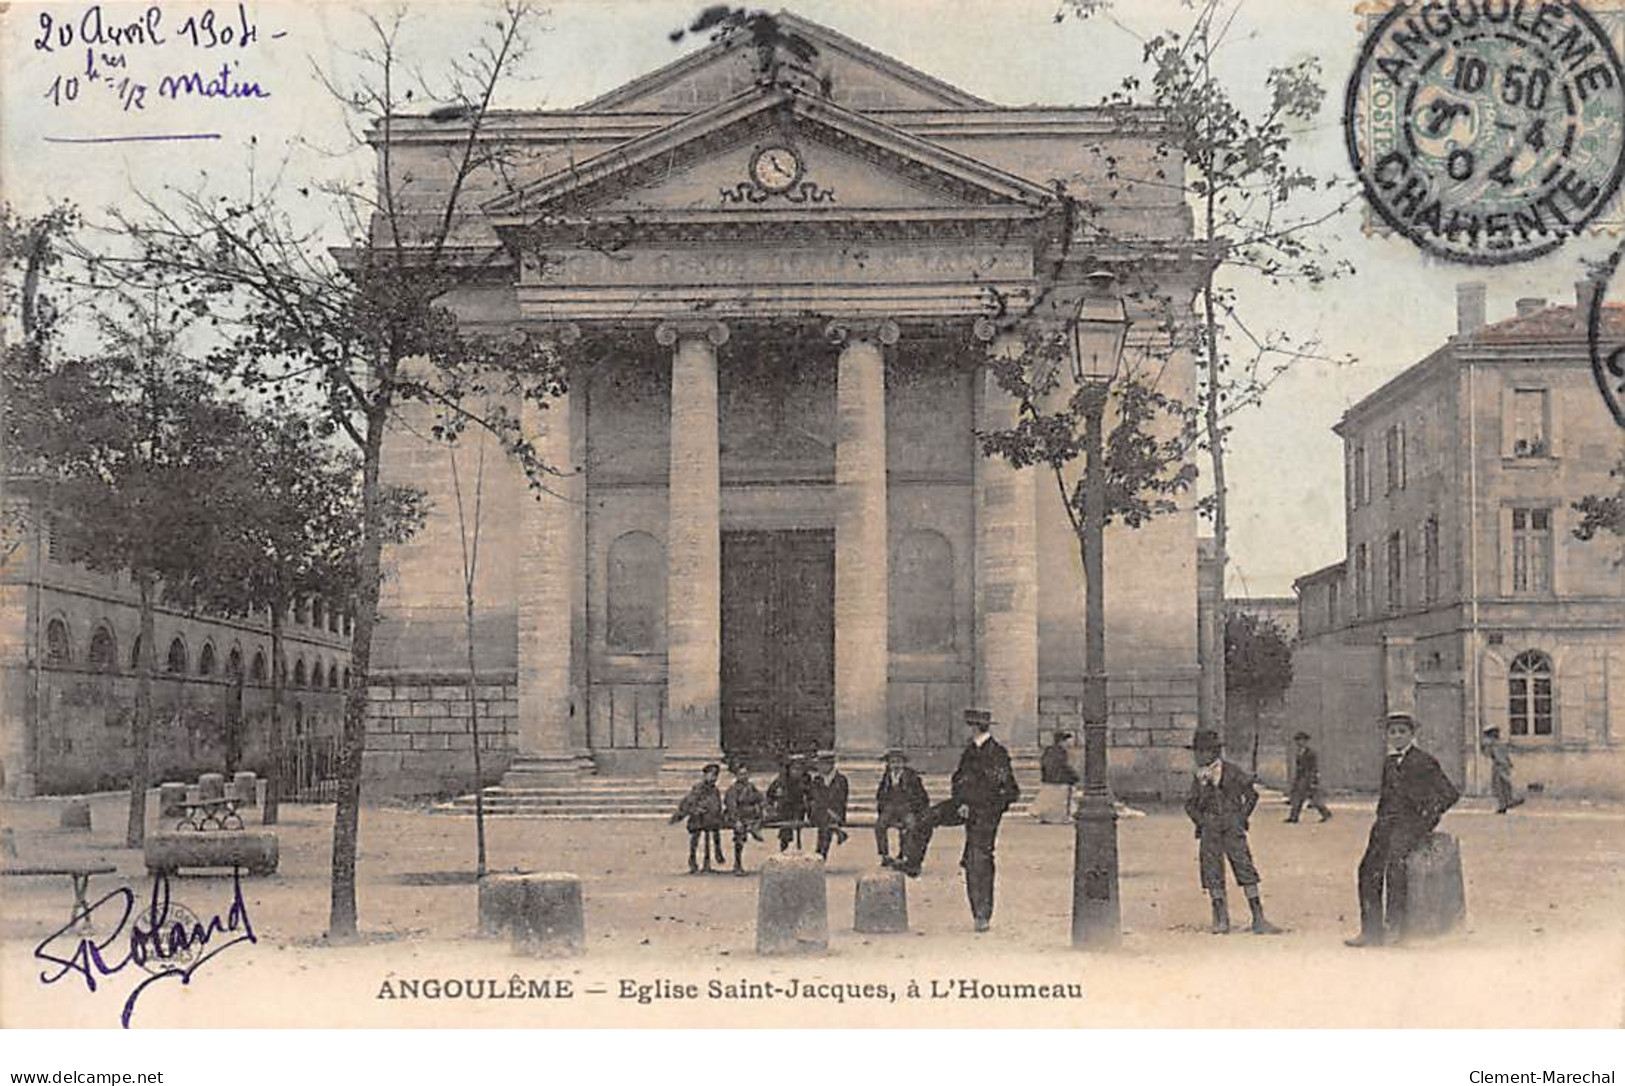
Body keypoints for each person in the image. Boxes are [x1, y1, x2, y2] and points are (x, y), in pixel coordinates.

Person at [899, 708, 1021, 933]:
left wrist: (971, 804)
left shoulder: (996, 753)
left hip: (985, 811)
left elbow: (1001, 788)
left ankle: (981, 915)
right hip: (964, 805)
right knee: (925, 818)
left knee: (978, 859)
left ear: (974, 727)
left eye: (969, 726)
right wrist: (961, 800)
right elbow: (959, 779)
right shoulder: (971, 750)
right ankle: (912, 863)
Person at [1346, 712, 1461, 947]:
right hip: (1386, 823)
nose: (1397, 736)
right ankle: (1371, 931)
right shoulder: (1389, 763)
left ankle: (1397, 929)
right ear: (1387, 736)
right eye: (1392, 732)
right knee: (1367, 869)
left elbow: (1449, 794)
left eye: (1402, 732)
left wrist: (1427, 818)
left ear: (1411, 734)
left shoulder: (1424, 761)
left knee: (1396, 868)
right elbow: (1386, 795)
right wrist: (1380, 818)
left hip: (1410, 825)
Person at [1183, 729, 1283, 935]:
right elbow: (1190, 805)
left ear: (1213, 752)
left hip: (1232, 827)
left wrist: (1241, 817)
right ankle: (1220, 918)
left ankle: (1258, 917)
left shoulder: (1233, 771)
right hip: (1210, 830)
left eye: (1202, 752)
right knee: (1212, 871)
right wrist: (1201, 821)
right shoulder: (1199, 776)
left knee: (1244, 867)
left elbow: (1252, 795)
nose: (1198, 756)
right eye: (1196, 752)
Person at [874, 748, 930, 867]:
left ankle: (904, 854)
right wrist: (882, 808)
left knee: (910, 826)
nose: (896, 765)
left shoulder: (912, 777)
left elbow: (922, 795)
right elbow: (880, 794)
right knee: (879, 825)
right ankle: (884, 855)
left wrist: (917, 811)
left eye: (898, 762)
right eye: (893, 762)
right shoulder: (887, 776)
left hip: (907, 807)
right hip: (890, 807)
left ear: (904, 763)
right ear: (888, 764)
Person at [670, 763, 726, 874]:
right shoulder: (698, 788)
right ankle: (693, 860)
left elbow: (717, 804)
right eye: (711, 775)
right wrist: (698, 810)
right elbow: (690, 802)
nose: (714, 778)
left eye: (715, 776)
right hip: (698, 819)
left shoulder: (715, 790)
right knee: (695, 838)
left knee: (715, 834)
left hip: (711, 819)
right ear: (705, 775)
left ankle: (710, 860)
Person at [723, 762, 766, 876]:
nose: (744, 776)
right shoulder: (733, 790)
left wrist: (761, 806)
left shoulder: (751, 787)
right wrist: (736, 820)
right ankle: (737, 864)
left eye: (746, 774)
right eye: (741, 774)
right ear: (736, 776)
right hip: (739, 816)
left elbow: (761, 798)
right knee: (739, 835)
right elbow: (731, 807)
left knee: (765, 816)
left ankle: (754, 828)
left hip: (752, 815)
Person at [807, 754, 850, 859]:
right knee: (825, 822)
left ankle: (820, 854)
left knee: (825, 826)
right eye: (818, 765)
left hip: (836, 813)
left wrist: (832, 812)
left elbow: (841, 799)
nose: (819, 767)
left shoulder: (841, 780)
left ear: (830, 765)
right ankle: (822, 853)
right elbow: (814, 798)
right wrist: (827, 810)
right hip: (818, 813)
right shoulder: (816, 780)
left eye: (821, 765)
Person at [1285, 730, 1333, 823]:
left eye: (1301, 740)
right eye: (1297, 740)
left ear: (1305, 741)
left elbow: (1313, 768)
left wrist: (1312, 780)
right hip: (1302, 778)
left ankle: (1326, 813)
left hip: (1309, 778)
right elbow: (1299, 768)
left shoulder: (1311, 753)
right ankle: (1294, 817)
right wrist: (1296, 780)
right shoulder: (1299, 753)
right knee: (1298, 798)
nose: (1299, 742)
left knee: (1314, 799)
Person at [765, 754, 810, 851]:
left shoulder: (805, 779)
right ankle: (783, 847)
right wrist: (770, 806)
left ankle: (798, 842)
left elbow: (811, 794)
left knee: (799, 824)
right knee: (785, 830)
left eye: (799, 769)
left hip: (799, 807)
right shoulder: (781, 780)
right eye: (794, 769)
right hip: (785, 807)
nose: (797, 772)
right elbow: (770, 794)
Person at [1483, 728, 1524, 814]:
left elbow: (1497, 756)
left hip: (1500, 766)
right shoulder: (1497, 744)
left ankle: (1507, 802)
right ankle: (1505, 803)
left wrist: (1504, 764)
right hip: (1501, 765)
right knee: (1501, 785)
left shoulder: (1495, 744)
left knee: (1502, 785)